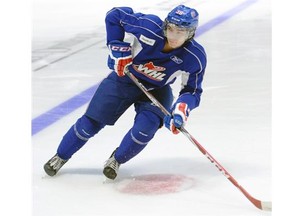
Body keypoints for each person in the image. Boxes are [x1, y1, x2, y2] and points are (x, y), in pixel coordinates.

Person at [44, 4, 207, 180]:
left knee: (145, 129)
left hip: (157, 89)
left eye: (180, 32)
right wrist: (116, 46)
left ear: (190, 33)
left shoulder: (195, 57)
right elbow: (115, 15)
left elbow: (192, 90)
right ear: (166, 25)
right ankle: (61, 156)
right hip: (124, 80)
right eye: (171, 29)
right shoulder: (148, 27)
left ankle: (116, 159)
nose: (173, 36)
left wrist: (181, 109)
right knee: (89, 125)